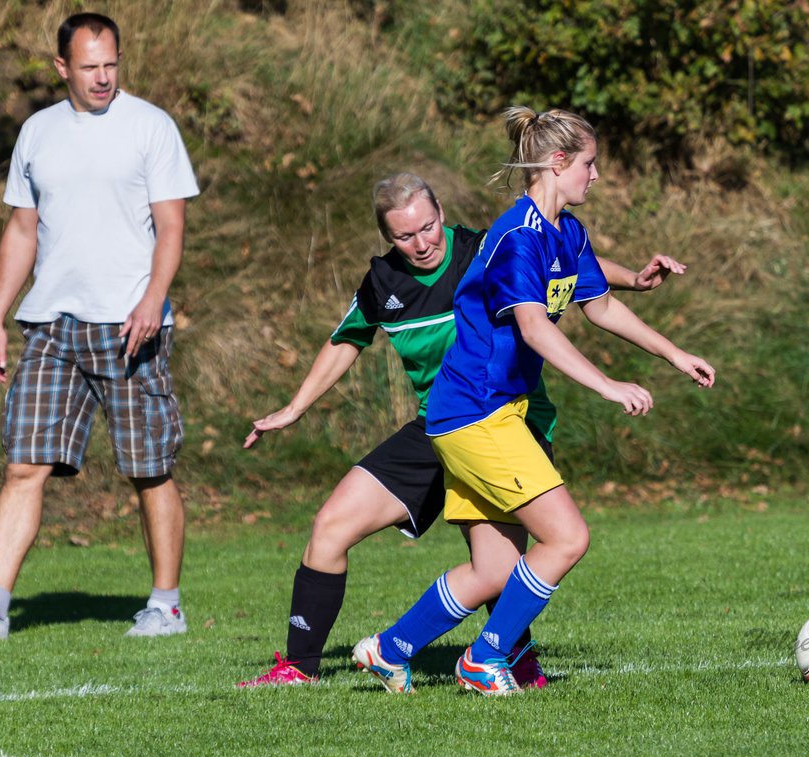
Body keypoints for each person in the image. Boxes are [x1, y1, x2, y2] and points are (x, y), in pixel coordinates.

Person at [237, 171, 685, 689]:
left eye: (428, 227)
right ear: (387, 238)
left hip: (500, 417)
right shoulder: (383, 283)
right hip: (438, 424)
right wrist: (295, 407)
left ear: (442, 214)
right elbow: (345, 342)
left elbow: (560, 264)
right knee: (331, 526)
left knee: (503, 558)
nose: (422, 243)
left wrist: (632, 277)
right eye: (405, 237)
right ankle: (300, 668)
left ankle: (508, 656)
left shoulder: (481, 248)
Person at [352, 106, 714, 694]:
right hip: (475, 413)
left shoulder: (566, 231)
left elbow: (599, 305)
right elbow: (534, 328)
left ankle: (390, 649)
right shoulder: (516, 237)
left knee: (494, 569)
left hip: (490, 413)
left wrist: (674, 354)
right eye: (590, 164)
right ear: (558, 162)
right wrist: (608, 385)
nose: (596, 176)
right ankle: (484, 660)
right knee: (567, 538)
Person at [0, 12, 199, 642]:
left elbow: (172, 226)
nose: (103, 78)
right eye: (89, 67)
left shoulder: (151, 126)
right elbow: (22, 230)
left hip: (130, 324)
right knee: (24, 463)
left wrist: (152, 301)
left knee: (148, 468)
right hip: (51, 324)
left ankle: (166, 604)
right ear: (62, 68)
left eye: (111, 65)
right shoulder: (38, 132)